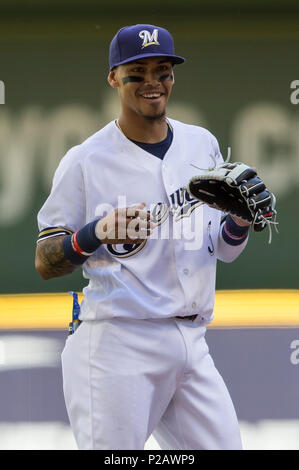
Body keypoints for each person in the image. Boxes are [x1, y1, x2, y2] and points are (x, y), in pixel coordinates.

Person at [35, 24, 251, 450]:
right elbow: (45, 260)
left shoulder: (201, 144)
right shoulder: (85, 161)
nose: (153, 82)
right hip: (119, 341)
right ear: (114, 77)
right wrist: (92, 234)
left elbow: (222, 250)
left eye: (163, 70)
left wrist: (240, 222)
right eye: (138, 71)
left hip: (193, 339)